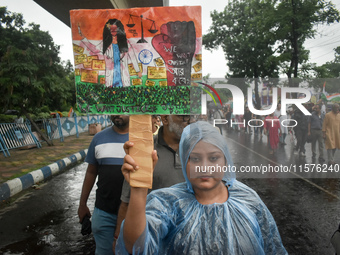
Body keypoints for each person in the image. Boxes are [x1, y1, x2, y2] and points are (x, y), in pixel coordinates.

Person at [116, 121, 287, 254]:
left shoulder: (248, 199)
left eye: (213, 158)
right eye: (195, 159)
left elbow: (272, 247)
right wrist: (139, 188)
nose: (204, 167)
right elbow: (136, 247)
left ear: (225, 161)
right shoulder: (167, 203)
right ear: (184, 163)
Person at [113, 115, 197, 251]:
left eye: (192, 117)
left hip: (191, 238)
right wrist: (118, 237)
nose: (190, 122)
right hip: (152, 239)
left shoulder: (199, 149)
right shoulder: (144, 149)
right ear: (165, 119)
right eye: (184, 118)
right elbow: (127, 200)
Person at [78, 115, 129, 255]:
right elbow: (91, 172)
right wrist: (82, 204)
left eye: (122, 108)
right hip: (104, 212)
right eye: (113, 108)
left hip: (133, 214)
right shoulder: (98, 138)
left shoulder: (142, 141)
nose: (117, 113)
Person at [79, 19, 141, 87]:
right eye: (111, 29)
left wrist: (138, 70)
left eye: (115, 28)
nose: (113, 31)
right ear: (108, 30)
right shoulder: (105, 44)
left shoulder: (125, 43)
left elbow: (133, 56)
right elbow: (94, 49)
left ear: (119, 29)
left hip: (123, 75)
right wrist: (84, 38)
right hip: (111, 77)